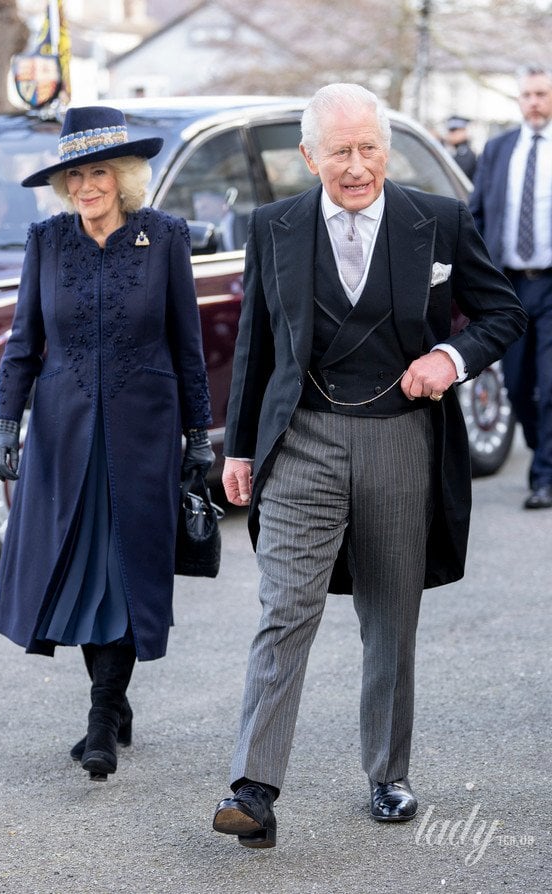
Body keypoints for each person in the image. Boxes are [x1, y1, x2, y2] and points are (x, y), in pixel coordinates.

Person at [211, 83, 526, 848]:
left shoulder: (438, 219)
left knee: (390, 615)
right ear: (309, 156)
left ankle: (388, 773)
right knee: (286, 608)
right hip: (305, 438)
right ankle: (253, 788)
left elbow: (501, 312)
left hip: (399, 437)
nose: (358, 167)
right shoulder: (275, 226)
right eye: (341, 152)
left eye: (370, 149)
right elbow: (257, 341)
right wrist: (242, 446)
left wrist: (449, 359)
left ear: (386, 147)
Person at [0, 106, 214, 781]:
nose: (87, 185)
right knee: (81, 576)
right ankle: (112, 703)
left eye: (100, 172)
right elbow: (24, 344)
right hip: (63, 433)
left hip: (143, 433)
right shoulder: (47, 240)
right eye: (76, 175)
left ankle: (99, 721)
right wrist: (6, 423)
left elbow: (189, 346)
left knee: (126, 574)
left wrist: (198, 436)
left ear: (125, 175)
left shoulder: (165, 237)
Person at [470, 64, 552, 509]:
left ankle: (544, 475)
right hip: (511, 287)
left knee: (551, 383)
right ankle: (545, 453)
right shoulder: (498, 150)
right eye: (527, 95)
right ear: (518, 100)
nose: (534, 102)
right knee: (518, 385)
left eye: (541, 93)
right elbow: (477, 215)